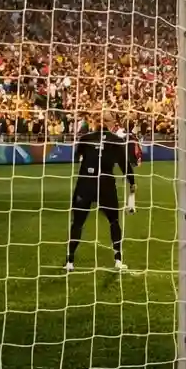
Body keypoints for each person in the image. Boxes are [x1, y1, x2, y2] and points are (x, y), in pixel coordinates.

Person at [65, 115, 139, 273]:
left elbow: (76, 157)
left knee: (78, 222)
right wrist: (132, 182)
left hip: (85, 183)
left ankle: (70, 262)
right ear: (111, 124)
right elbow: (124, 165)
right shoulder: (116, 140)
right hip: (105, 184)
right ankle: (118, 260)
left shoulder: (85, 138)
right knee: (113, 221)